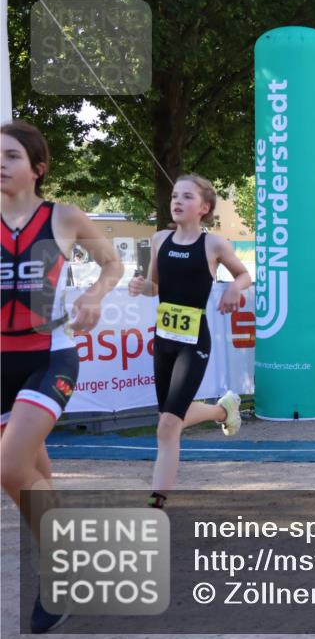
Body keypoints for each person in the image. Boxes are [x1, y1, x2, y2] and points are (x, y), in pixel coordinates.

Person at [1, 121, 125, 633]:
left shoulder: (64, 217)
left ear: (37, 168)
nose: (0, 163)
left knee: (10, 469)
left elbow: (113, 263)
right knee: (37, 476)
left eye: (10, 156)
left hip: (49, 356)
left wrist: (94, 295)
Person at [127, 174, 249, 512]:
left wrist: (236, 289)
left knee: (167, 425)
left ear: (204, 208)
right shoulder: (159, 239)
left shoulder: (214, 245)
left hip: (194, 341)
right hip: (163, 339)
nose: (177, 201)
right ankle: (223, 410)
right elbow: (156, 286)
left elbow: (244, 275)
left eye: (187, 197)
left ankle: (156, 501)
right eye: (174, 196)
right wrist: (141, 287)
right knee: (169, 417)